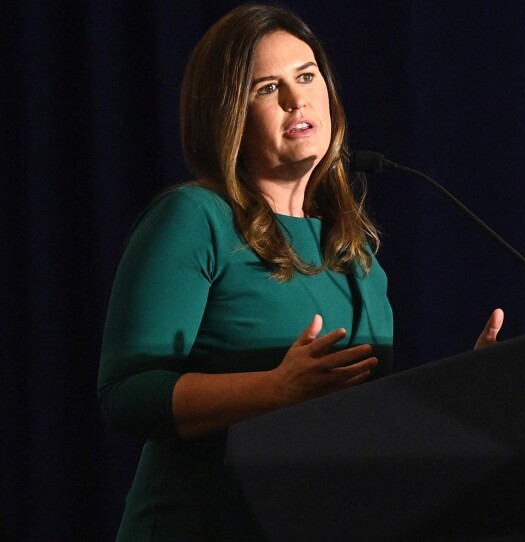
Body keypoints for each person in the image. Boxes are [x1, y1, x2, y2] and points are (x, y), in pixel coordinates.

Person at [97, 4, 504, 540]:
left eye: (307, 76)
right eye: (267, 88)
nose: (297, 99)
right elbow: (126, 395)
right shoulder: (195, 219)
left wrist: (466, 392)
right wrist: (274, 390)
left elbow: (367, 427)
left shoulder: (355, 256)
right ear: (227, 115)